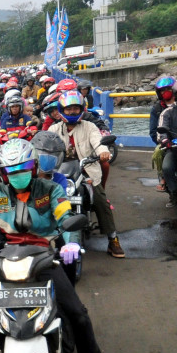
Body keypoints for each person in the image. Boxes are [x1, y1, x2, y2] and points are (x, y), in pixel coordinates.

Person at [0, 139, 116, 353]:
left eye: (23, 169)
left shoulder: (51, 190)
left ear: (34, 167)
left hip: (44, 256)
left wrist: (70, 243)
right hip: (8, 258)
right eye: (12, 171)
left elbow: (65, 219)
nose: (18, 175)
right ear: (3, 173)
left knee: (77, 313)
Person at [50, 90, 124, 258]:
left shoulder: (90, 127)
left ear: (81, 109)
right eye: (68, 109)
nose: (72, 112)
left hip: (86, 170)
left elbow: (98, 143)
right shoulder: (54, 128)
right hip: (60, 172)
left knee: (100, 200)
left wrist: (103, 152)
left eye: (75, 108)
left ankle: (113, 239)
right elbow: (45, 144)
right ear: (62, 110)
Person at [150, 76, 176, 194]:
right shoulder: (156, 109)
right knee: (158, 154)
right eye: (163, 90)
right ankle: (164, 179)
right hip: (166, 142)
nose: (166, 92)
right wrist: (162, 141)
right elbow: (153, 131)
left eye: (169, 89)